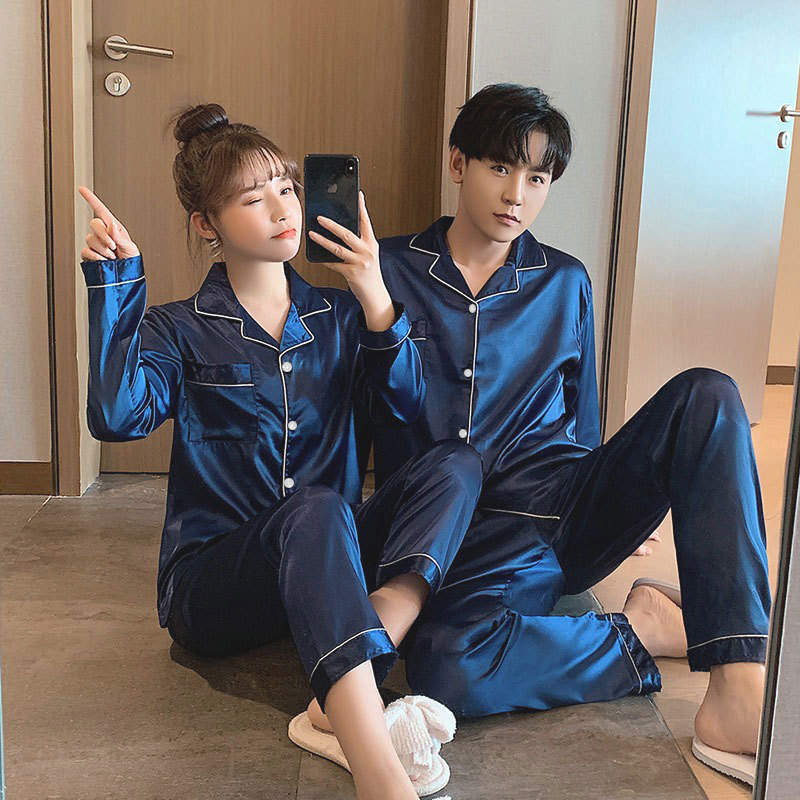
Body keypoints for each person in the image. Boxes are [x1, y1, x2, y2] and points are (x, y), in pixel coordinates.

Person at [345, 83, 770, 785]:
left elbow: (585, 422)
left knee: (710, 395)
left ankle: (739, 687)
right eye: (500, 168)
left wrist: (619, 508)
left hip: (562, 507)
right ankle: (642, 631)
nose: (517, 195)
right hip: (451, 538)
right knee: (447, 667)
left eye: (537, 178)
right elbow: (359, 420)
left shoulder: (565, 281)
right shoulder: (383, 269)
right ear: (458, 164)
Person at [77, 102, 484, 800]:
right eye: (252, 198)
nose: (282, 208)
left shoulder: (342, 318)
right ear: (206, 224)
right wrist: (116, 286)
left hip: (327, 559)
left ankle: (350, 675)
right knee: (317, 508)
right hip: (217, 585)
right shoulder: (179, 328)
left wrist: (376, 297)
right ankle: (380, 775)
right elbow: (118, 417)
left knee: (458, 464)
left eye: (288, 187)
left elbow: (408, 414)